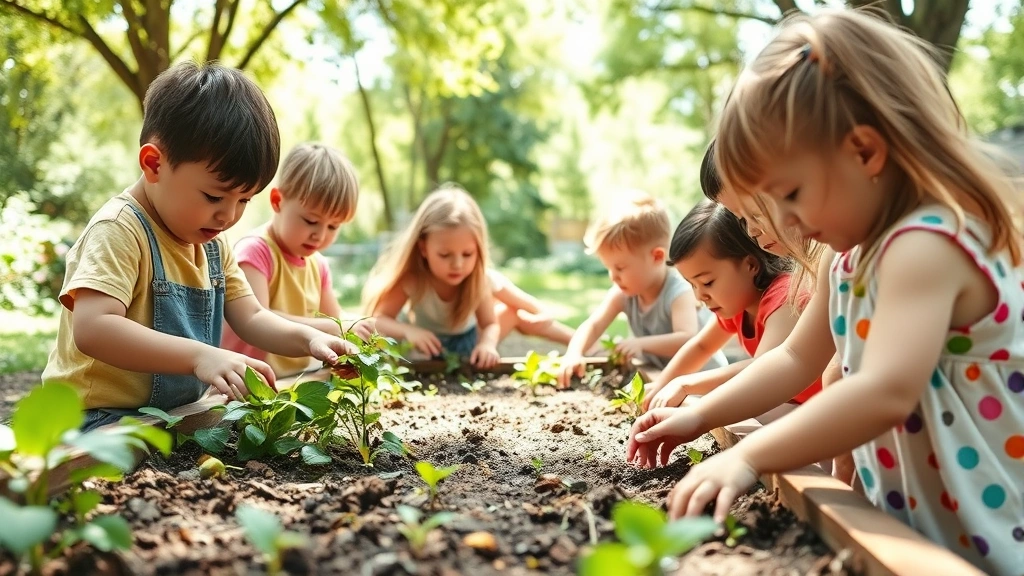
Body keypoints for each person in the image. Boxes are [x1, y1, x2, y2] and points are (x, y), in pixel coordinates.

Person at [627, 10, 1024, 574]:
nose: (785, 222)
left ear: (864, 152)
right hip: (920, 531)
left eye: (791, 193)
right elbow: (793, 359)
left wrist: (748, 455)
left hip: (993, 536)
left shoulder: (925, 246)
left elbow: (885, 389)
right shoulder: (847, 260)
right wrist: (699, 417)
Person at [41, 62, 357, 432]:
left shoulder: (212, 244)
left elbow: (252, 318)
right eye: (214, 196)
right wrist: (200, 357)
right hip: (93, 418)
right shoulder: (120, 230)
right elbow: (94, 328)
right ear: (154, 163)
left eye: (244, 200)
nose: (229, 215)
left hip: (173, 414)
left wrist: (311, 338)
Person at [643, 201, 821, 422]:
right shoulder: (737, 303)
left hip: (832, 412)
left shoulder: (786, 297)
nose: (700, 296)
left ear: (751, 265)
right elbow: (702, 346)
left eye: (707, 282)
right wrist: (661, 385)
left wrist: (686, 384)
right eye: (692, 285)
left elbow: (762, 368)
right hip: (795, 405)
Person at [363, 184, 572, 368]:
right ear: (423, 248)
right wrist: (410, 332)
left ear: (479, 250)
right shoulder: (413, 280)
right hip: (425, 348)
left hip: (470, 346)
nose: (458, 264)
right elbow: (378, 320)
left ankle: (584, 343)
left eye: (468, 254)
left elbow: (490, 323)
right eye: (445, 255)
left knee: (513, 312)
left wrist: (487, 345)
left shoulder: (479, 279)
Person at [221, 143, 373, 377]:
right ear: (277, 201)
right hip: (246, 382)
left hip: (292, 383)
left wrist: (352, 333)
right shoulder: (255, 252)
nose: (320, 235)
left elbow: (335, 317)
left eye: (333, 226)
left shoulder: (318, 265)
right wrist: (335, 328)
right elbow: (259, 315)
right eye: (311, 221)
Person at [558, 191, 727, 387]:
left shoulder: (678, 292)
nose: (613, 276)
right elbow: (593, 325)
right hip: (661, 378)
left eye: (620, 268)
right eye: (609, 268)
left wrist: (640, 344)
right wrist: (574, 353)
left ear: (656, 257)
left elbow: (686, 338)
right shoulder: (622, 294)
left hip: (701, 381)